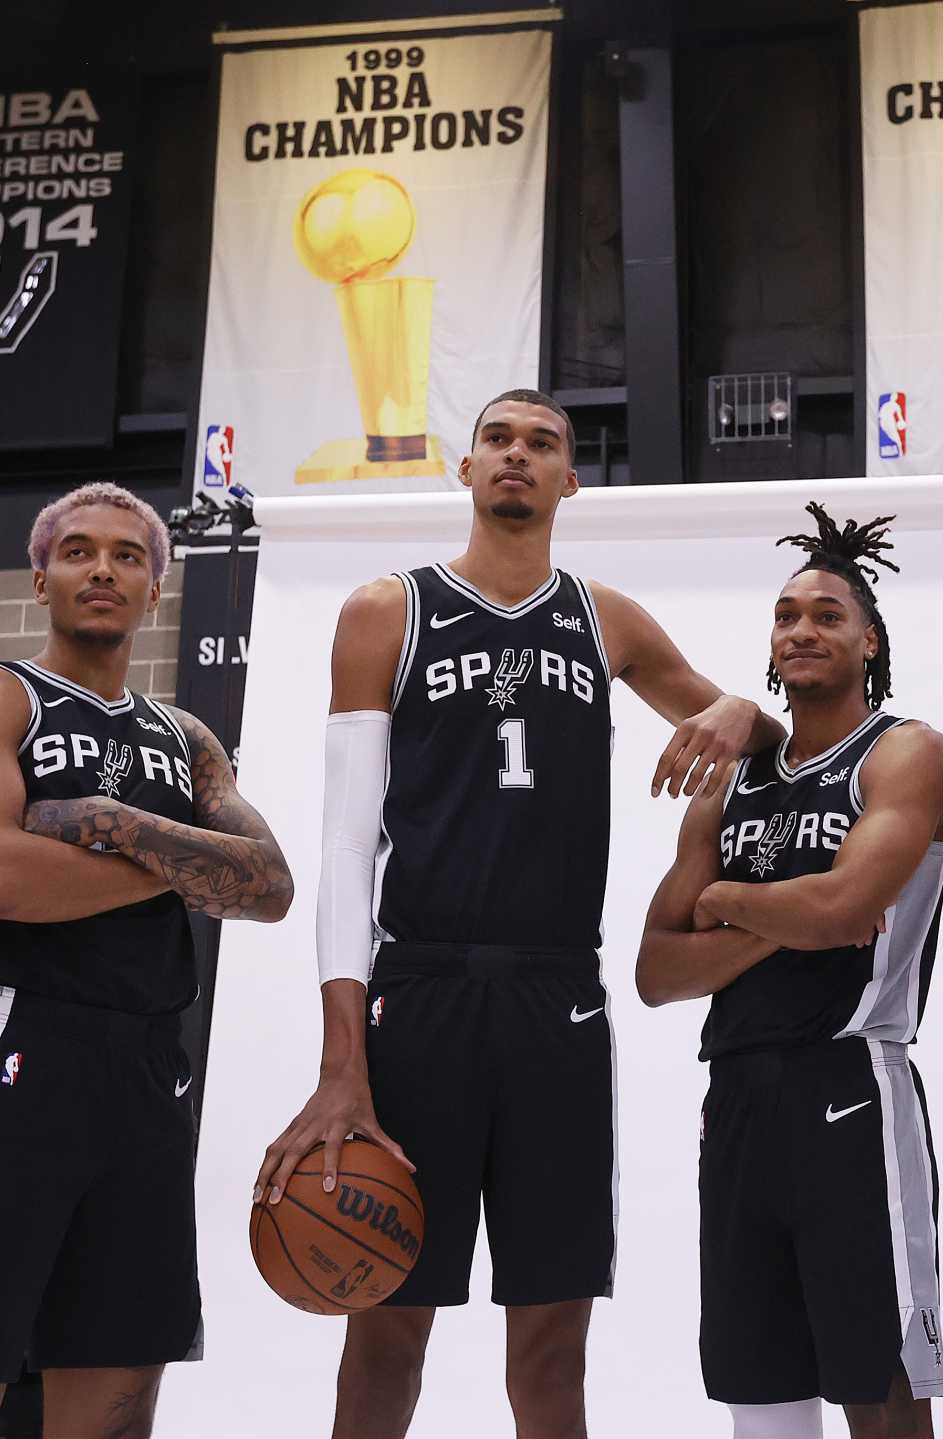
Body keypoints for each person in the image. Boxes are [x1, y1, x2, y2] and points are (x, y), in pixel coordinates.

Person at [252, 389, 786, 1439]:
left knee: (550, 1342)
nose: (515, 456)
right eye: (496, 438)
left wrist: (736, 707)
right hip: (420, 994)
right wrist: (339, 1059)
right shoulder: (385, 611)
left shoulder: (605, 618)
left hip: (558, 1003)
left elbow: (763, 743)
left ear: (568, 481)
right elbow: (345, 847)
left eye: (541, 443)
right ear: (464, 468)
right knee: (386, 1323)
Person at [0, 482, 295, 1439]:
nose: (102, 567)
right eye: (78, 551)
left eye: (128, 554)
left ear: (157, 586)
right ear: (40, 577)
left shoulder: (187, 740)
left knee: (116, 1388)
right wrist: (182, 862)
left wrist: (114, 829)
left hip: (149, 1064)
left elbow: (268, 885)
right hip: (18, 1041)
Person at [638, 505, 943, 1439]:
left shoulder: (907, 752)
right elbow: (657, 969)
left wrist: (729, 902)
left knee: (880, 1380)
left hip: (852, 1082)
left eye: (826, 613)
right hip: (735, 1095)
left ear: (869, 640)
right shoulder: (734, 784)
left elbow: (845, 909)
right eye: (786, 616)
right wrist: (796, 915)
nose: (802, 629)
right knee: (760, 1379)